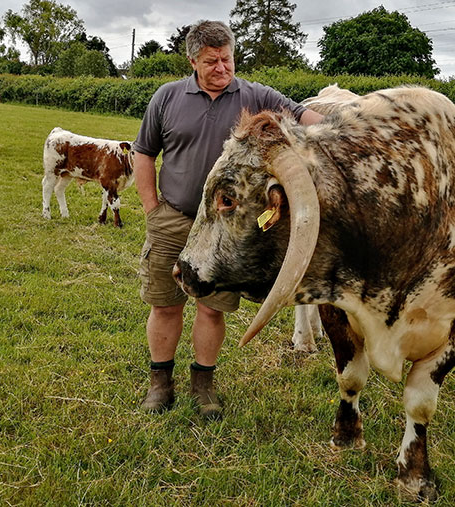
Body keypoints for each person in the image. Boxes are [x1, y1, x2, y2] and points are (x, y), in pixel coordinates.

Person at [132, 20, 324, 419]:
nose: (222, 68)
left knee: (212, 308)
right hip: (174, 217)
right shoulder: (166, 98)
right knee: (165, 305)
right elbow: (144, 152)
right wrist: (152, 209)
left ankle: (203, 385)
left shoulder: (257, 96)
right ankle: (159, 383)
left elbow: (305, 116)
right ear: (192, 61)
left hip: (227, 229)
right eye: (211, 62)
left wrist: (342, 128)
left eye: (227, 59)